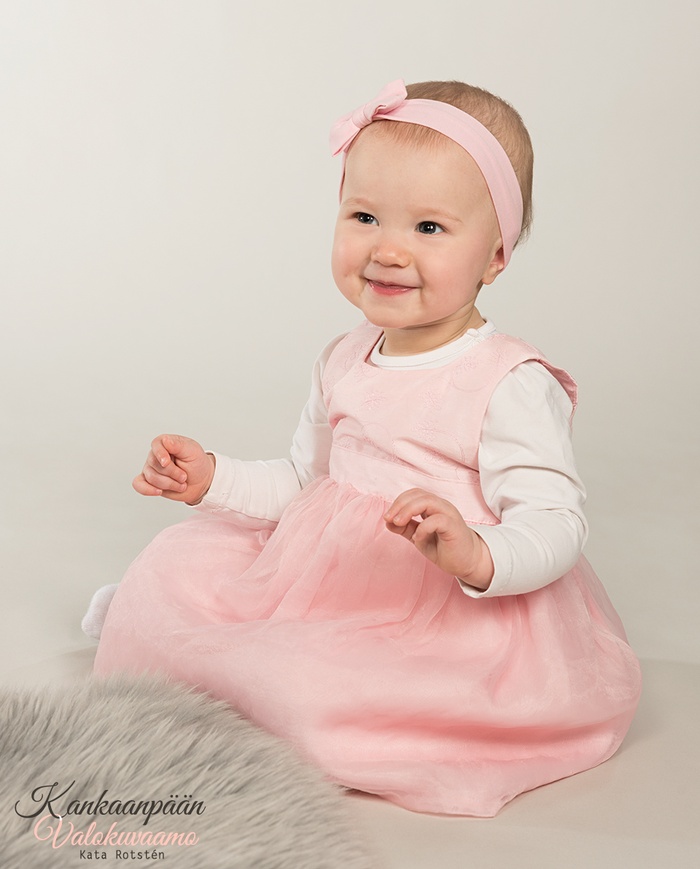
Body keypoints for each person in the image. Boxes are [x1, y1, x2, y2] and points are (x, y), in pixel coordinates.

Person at [90, 79, 641, 817]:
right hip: (324, 582)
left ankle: (260, 687)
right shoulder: (345, 356)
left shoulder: (507, 380)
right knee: (174, 562)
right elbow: (304, 482)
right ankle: (208, 659)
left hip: (443, 612)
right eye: (365, 216)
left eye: (429, 228)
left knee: (313, 687)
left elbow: (556, 522)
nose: (388, 249)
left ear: (495, 257)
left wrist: (478, 553)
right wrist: (213, 479)